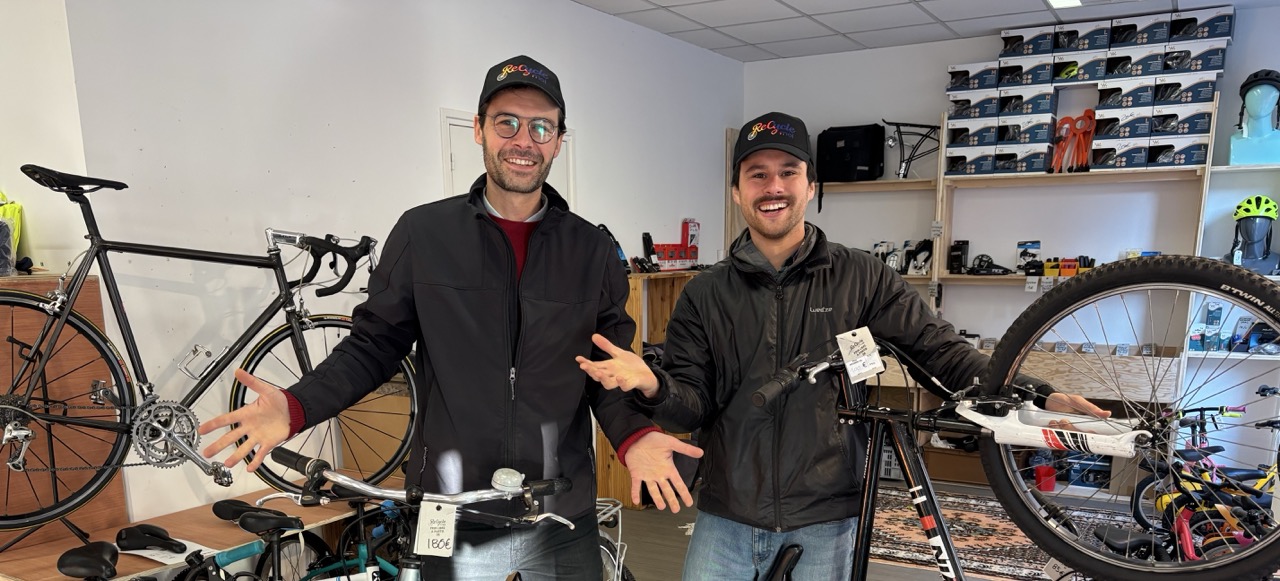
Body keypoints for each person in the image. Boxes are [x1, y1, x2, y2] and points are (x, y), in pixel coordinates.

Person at [198, 54, 701, 580]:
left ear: (558, 141)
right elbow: (372, 347)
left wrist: (634, 436)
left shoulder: (591, 251)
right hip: (452, 505)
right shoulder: (424, 235)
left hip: (559, 509)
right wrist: (300, 405)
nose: (523, 140)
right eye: (506, 122)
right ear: (479, 129)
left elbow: (608, 372)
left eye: (541, 127)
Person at [577, 111, 1108, 580]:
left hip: (827, 516)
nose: (773, 187)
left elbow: (943, 355)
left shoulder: (863, 277)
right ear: (736, 191)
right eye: (757, 174)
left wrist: (1035, 394)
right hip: (726, 514)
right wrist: (654, 384)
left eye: (788, 172)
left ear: (810, 186)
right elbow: (691, 405)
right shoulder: (705, 292)